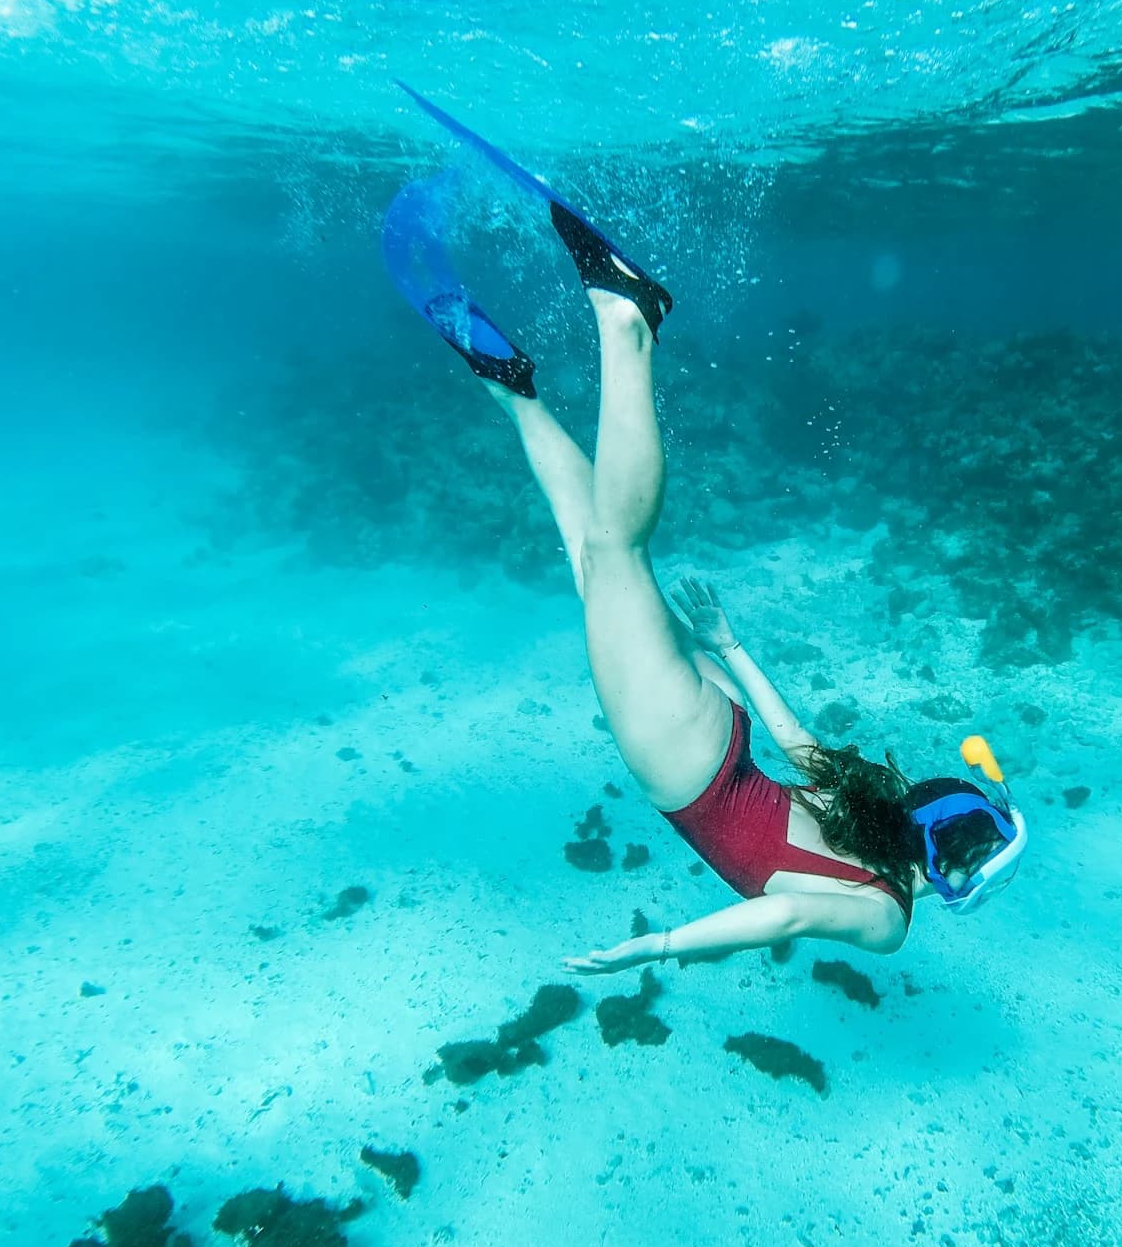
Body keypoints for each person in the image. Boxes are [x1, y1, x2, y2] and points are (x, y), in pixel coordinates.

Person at [383, 92, 1028, 975]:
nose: (975, 879)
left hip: (714, 729)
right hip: (687, 762)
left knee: (593, 563)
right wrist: (655, 947)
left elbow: (797, 740)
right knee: (615, 552)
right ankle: (628, 321)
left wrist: (726, 644)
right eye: (983, 865)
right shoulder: (886, 919)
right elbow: (781, 918)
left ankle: (510, 385)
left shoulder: (871, 811)